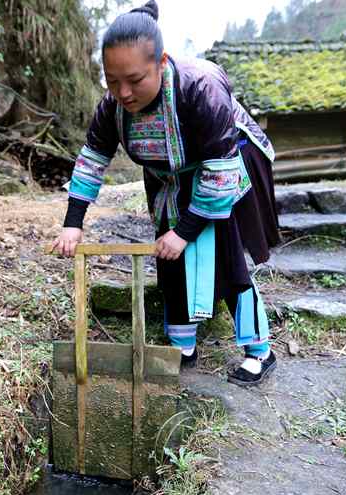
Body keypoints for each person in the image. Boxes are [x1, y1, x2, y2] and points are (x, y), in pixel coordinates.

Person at [51, 0, 281, 386]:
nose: (123, 92)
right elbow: (92, 159)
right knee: (168, 254)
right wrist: (73, 223)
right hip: (167, 178)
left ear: (161, 63)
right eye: (112, 80)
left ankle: (259, 350)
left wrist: (186, 231)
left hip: (224, 168)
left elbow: (219, 169)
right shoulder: (112, 106)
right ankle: (182, 344)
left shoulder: (201, 87)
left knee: (226, 257)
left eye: (134, 79)